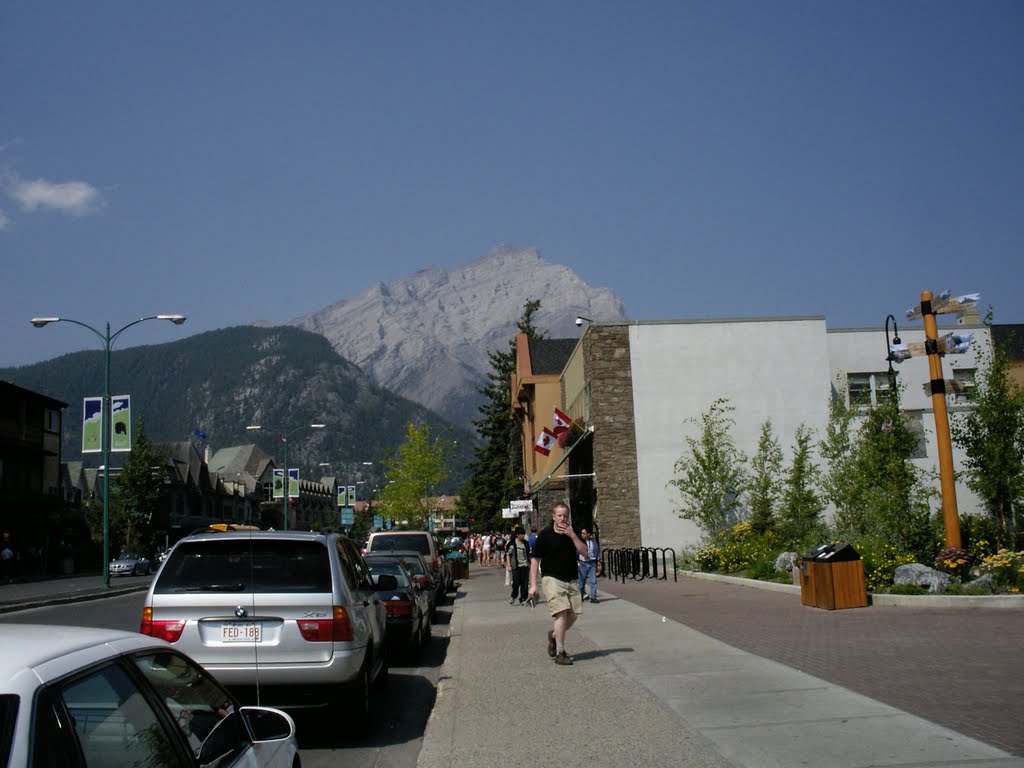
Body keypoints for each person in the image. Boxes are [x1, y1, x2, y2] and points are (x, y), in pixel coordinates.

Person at [528, 502, 589, 666]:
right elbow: (535, 561)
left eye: (565, 516)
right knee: (561, 612)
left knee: (574, 614)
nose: (562, 518)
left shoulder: (572, 532)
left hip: (571, 578)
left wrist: (573, 536)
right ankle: (561, 653)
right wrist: (533, 585)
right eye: (559, 515)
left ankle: (554, 636)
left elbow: (585, 552)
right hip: (551, 577)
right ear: (553, 516)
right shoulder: (545, 535)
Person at [505, 526, 531, 605]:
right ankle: (513, 596)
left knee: (525, 584)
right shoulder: (512, 543)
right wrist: (509, 565)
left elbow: (528, 554)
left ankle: (523, 598)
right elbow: (508, 555)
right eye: (521, 534)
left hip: (525, 566)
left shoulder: (526, 543)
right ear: (517, 535)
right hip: (516, 567)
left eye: (523, 534)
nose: (523, 536)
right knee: (516, 583)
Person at [577, 529, 600, 603]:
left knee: (593, 581)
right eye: (581, 533)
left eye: (584, 533)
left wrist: (598, 561)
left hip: (592, 563)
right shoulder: (580, 542)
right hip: (583, 563)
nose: (582, 534)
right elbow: (576, 552)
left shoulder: (593, 542)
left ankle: (593, 597)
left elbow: (597, 551)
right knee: (581, 582)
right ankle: (580, 596)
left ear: (588, 534)